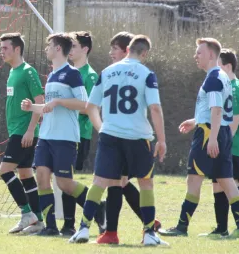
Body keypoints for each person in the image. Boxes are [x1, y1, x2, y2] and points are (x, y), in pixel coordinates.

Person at [69, 35, 168, 246]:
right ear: (144, 53)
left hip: (110, 136)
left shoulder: (106, 72)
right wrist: (161, 140)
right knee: (145, 183)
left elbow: (90, 107)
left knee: (99, 182)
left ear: (128, 49)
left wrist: (103, 128)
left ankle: (83, 229)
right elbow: (155, 108)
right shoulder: (147, 74)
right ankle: (149, 234)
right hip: (137, 137)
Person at [159, 38, 239, 239]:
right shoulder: (222, 76)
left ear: (211, 55)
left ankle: (181, 227)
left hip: (211, 133)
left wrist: (212, 138)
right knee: (227, 180)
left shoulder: (213, 78)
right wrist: (196, 120)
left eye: (199, 52)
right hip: (220, 131)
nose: (195, 56)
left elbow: (217, 110)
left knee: (194, 178)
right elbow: (214, 109)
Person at [21, 33, 102, 236]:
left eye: (49, 45)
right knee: (41, 177)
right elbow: (48, 108)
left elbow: (85, 105)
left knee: (64, 183)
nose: (46, 49)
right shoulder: (52, 75)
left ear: (58, 48)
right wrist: (32, 107)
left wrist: (58, 102)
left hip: (65, 138)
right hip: (47, 136)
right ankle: (50, 227)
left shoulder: (72, 73)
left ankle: (99, 209)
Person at [198, 48, 239, 238]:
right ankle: (221, 229)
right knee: (218, 185)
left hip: (232, 146)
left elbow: (234, 120)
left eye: (218, 64)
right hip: (224, 144)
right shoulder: (225, 85)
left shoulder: (236, 88)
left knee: (232, 185)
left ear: (227, 65)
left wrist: (224, 142)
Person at [0, 33, 45, 234]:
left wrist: (30, 130)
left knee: (4, 171)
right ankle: (39, 222)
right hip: (17, 131)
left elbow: (40, 100)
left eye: (5, 48)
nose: (2, 51)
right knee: (25, 174)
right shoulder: (12, 72)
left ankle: (26, 213)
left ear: (17, 49)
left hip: (23, 132)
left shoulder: (28, 71)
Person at [59, 31, 98, 237]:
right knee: (64, 178)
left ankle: (97, 211)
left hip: (79, 134)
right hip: (64, 132)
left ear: (85, 49)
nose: (70, 50)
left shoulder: (90, 76)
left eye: (74, 46)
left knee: (67, 180)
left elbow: (89, 107)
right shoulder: (67, 72)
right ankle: (68, 224)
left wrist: (64, 104)